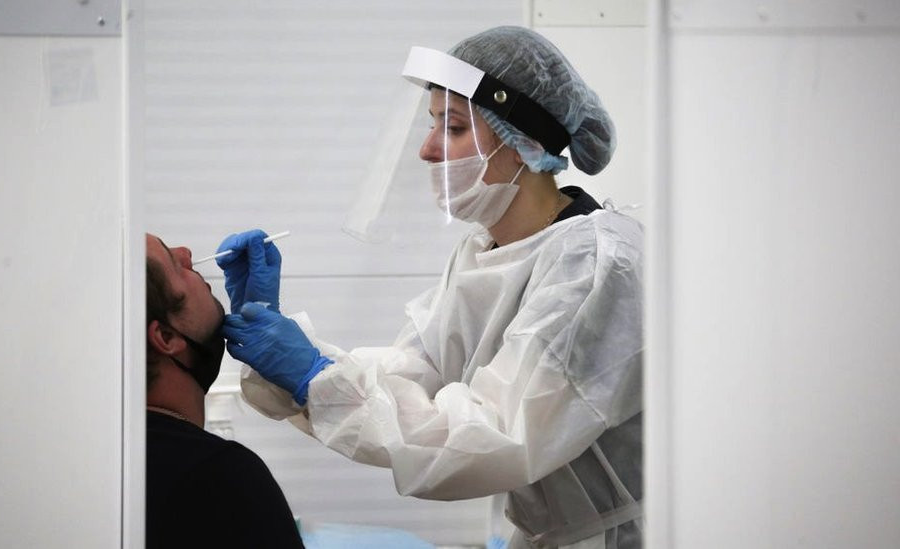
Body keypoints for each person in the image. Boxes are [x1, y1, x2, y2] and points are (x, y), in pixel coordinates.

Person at [219, 26, 643, 549]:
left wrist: (314, 378)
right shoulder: (482, 253)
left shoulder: (597, 264)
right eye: (432, 124)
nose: (425, 150)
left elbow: (496, 433)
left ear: (522, 143)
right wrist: (289, 356)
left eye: (454, 126)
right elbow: (412, 373)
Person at [144, 233, 303, 549]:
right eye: (174, 265)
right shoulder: (217, 477)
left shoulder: (96, 457)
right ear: (165, 336)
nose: (186, 252)